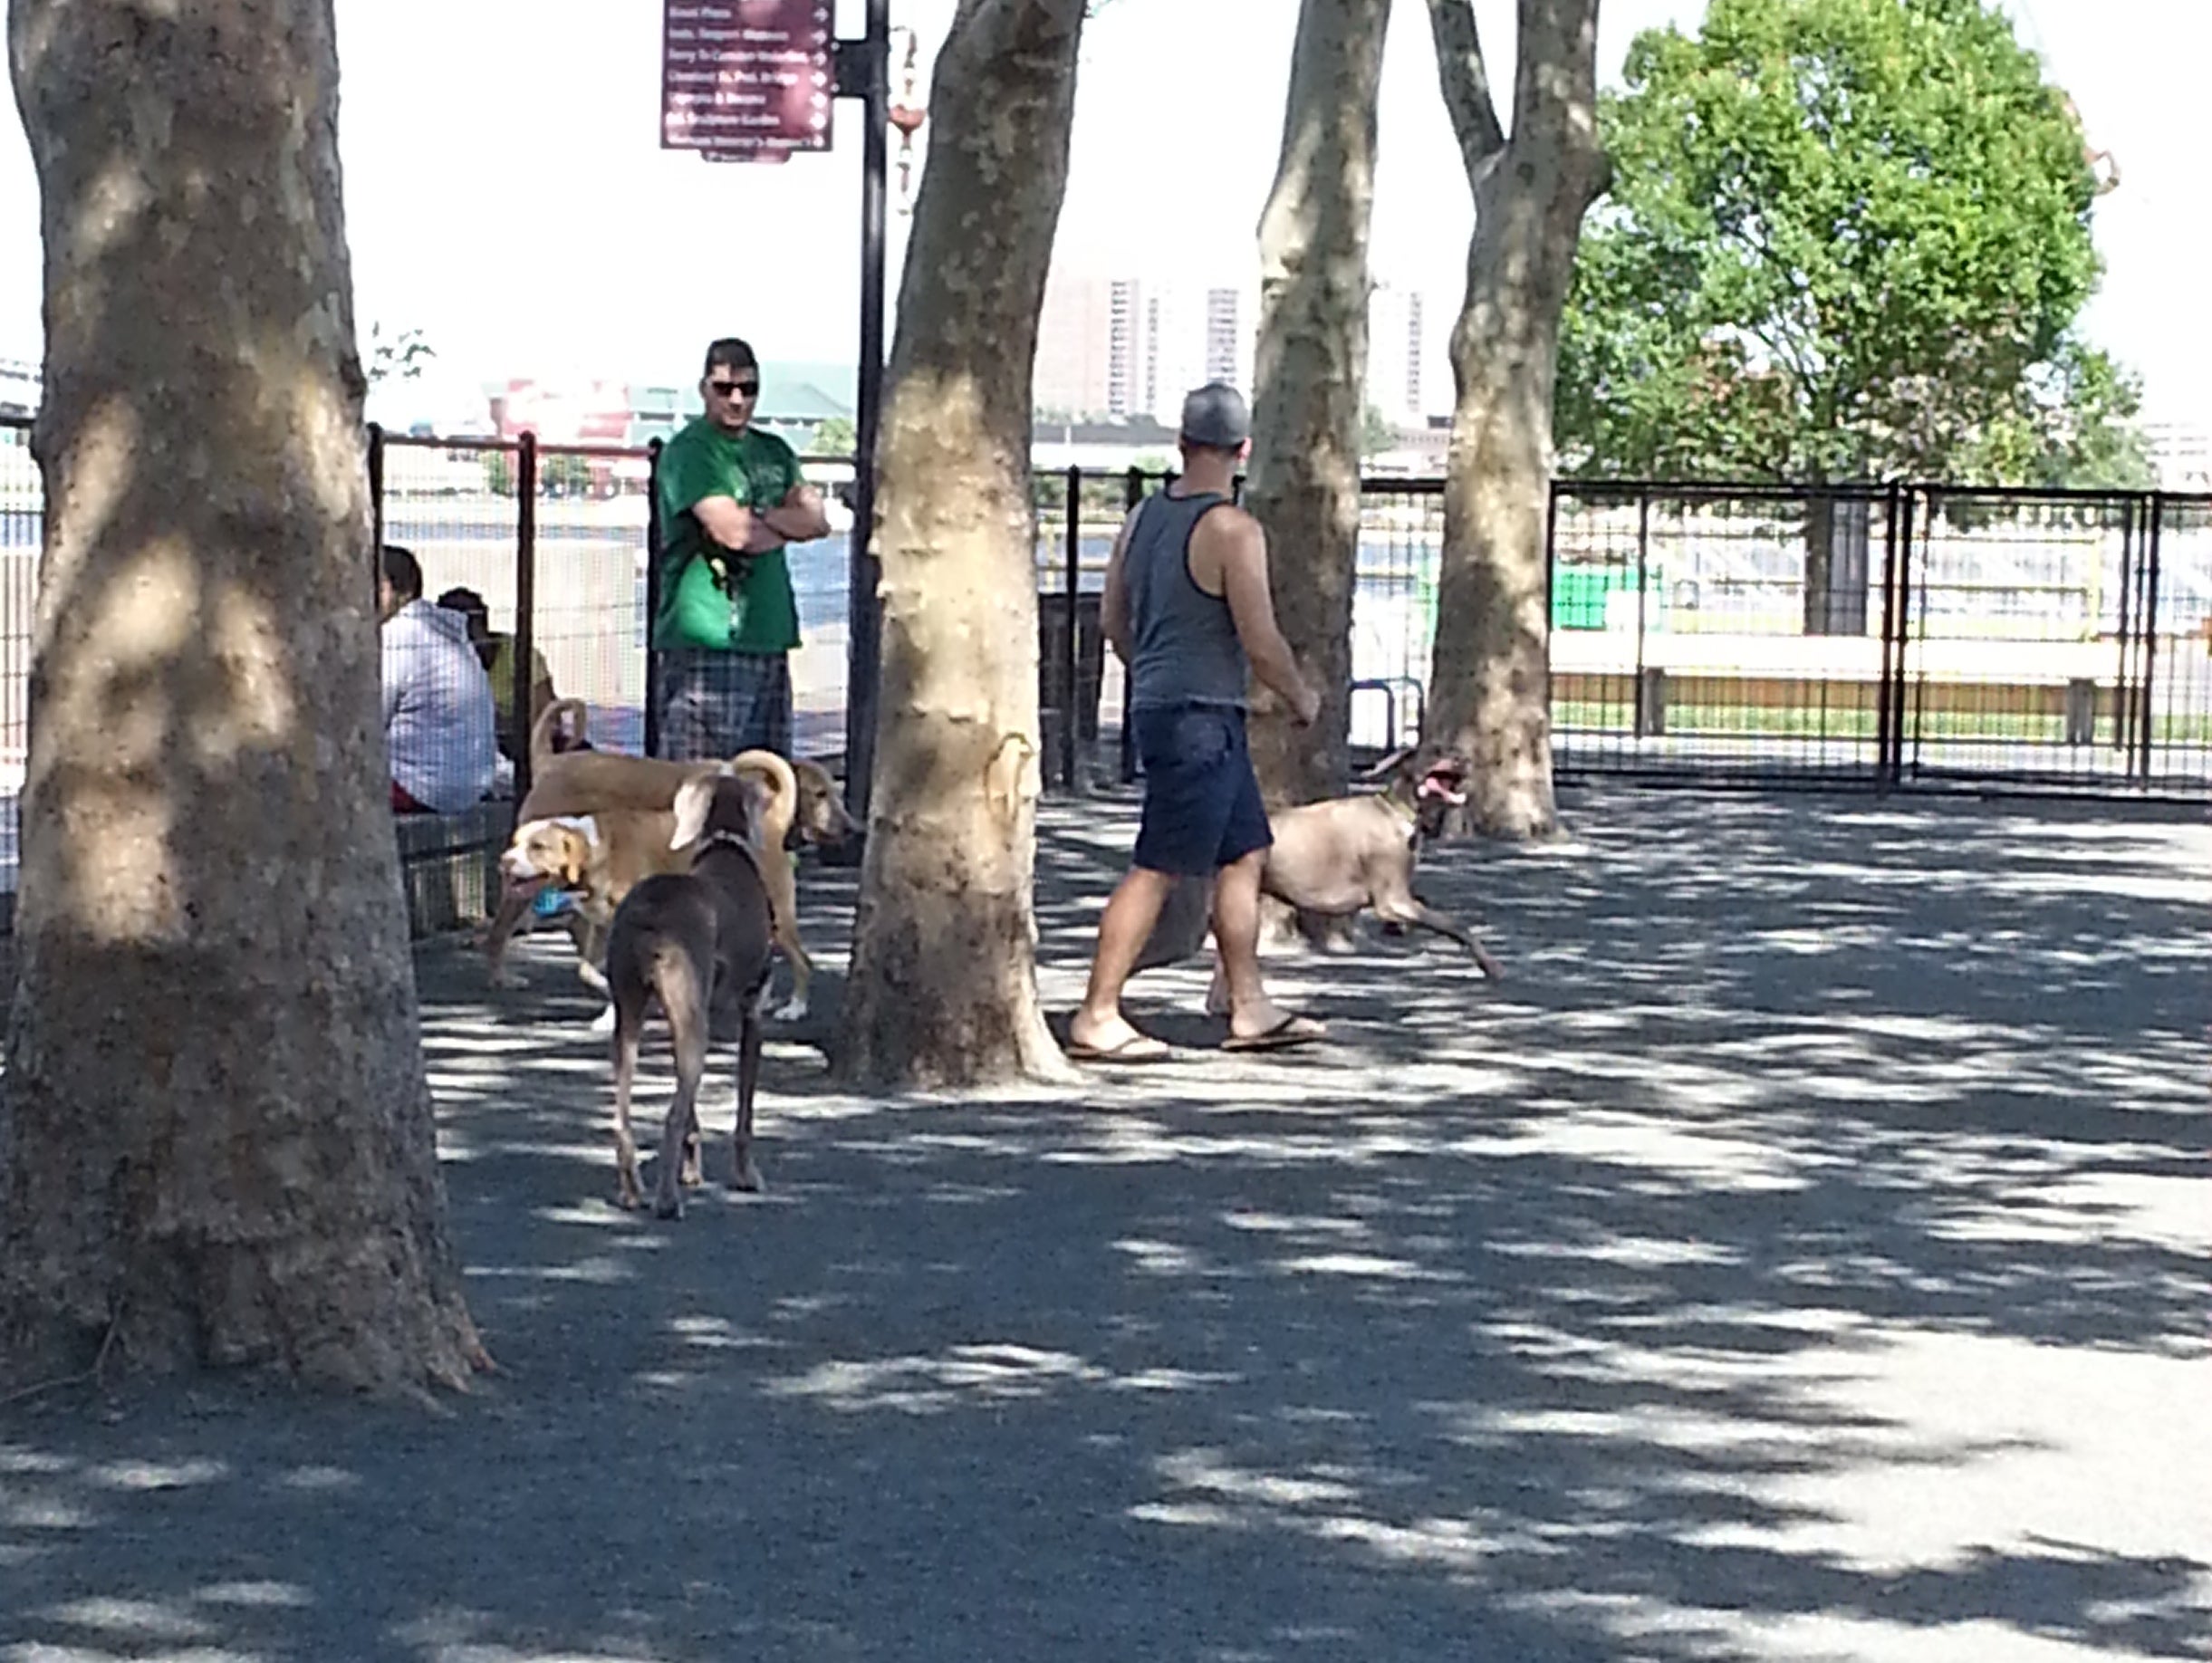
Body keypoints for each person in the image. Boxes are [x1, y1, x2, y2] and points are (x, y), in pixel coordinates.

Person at [1067, 383, 1325, 1062]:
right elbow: (1261, 639)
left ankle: (1248, 1004)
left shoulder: (1142, 519)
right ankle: (1097, 1012)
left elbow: (1112, 622)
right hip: (1201, 721)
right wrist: (1300, 697)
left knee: (1242, 852)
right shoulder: (1233, 530)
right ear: (1243, 450)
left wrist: (1150, 668)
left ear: (1181, 443)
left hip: (1164, 706)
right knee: (1158, 865)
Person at [649, 337, 832, 760]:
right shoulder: (690, 451)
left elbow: (817, 520)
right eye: (724, 388)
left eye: (747, 389)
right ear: (704, 390)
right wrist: (785, 523)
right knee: (700, 785)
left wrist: (761, 518)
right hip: (708, 641)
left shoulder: (776, 450)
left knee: (766, 786)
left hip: (770, 636)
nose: (737, 399)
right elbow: (734, 533)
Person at [380, 545, 496, 813]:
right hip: (469, 786)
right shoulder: (444, 628)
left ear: (404, 592)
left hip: (422, 788)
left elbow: (369, 720)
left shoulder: (400, 634)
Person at [436, 585, 557, 764]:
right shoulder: (438, 662)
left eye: (472, 629)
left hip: (525, 742)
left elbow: (547, 712)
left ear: (484, 625)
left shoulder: (518, 652)